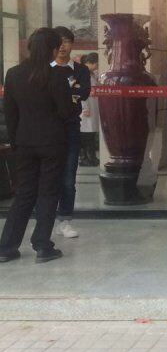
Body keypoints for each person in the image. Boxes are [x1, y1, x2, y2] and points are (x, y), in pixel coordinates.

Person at [0, 28, 74, 264]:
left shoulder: (13, 74)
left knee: (24, 193)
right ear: (52, 49)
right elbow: (66, 112)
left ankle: (6, 247)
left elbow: (10, 113)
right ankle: (42, 245)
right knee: (48, 192)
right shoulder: (56, 76)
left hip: (24, 142)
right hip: (52, 142)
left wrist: (15, 141)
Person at [51, 26, 91, 240]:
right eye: (58, 41)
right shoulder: (44, 68)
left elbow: (83, 92)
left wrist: (65, 95)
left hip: (70, 128)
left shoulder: (80, 70)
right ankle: (46, 219)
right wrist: (69, 94)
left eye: (66, 41)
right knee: (47, 177)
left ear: (72, 44)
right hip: (47, 130)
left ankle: (64, 220)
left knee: (68, 177)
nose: (62, 46)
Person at [78, 53, 100, 167]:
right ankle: (84, 158)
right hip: (86, 108)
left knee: (91, 134)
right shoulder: (82, 74)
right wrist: (84, 107)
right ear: (91, 62)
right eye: (96, 63)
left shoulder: (92, 74)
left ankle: (92, 157)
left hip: (93, 106)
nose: (97, 66)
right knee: (85, 135)